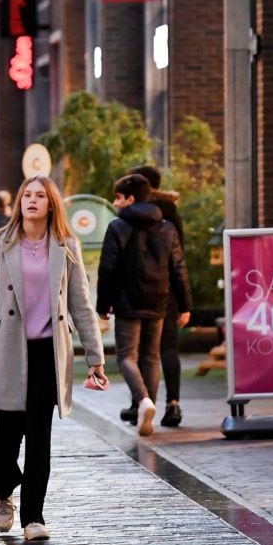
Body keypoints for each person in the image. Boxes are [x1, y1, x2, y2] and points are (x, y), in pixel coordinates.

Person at [0, 175, 107, 542]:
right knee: (8, 435)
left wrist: (95, 356)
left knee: (40, 436)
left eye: (40, 195)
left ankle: (33, 517)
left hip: (49, 351)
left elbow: (80, 304)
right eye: (27, 194)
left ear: (50, 204)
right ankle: (3, 490)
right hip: (10, 347)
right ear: (19, 203)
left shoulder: (65, 244)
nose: (32, 200)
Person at [96, 173, 191, 438]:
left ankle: (143, 401)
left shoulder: (117, 227)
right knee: (151, 357)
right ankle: (147, 410)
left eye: (118, 197)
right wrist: (185, 305)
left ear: (131, 198)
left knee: (126, 356)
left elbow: (108, 268)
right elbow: (178, 269)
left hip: (127, 302)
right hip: (159, 300)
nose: (115, 203)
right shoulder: (167, 227)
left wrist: (103, 304)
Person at [127, 164, 186, 427]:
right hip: (168, 292)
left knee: (141, 352)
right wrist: (186, 302)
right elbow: (179, 258)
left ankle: (140, 403)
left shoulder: (132, 216)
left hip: (138, 290)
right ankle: (173, 404)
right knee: (168, 348)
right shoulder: (171, 213)